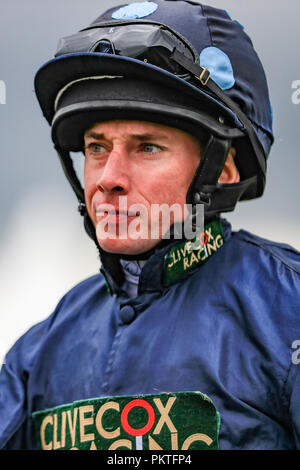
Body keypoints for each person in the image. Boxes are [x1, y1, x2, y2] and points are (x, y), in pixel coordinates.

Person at [0, 0, 299, 451]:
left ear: (224, 168)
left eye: (148, 148)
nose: (108, 179)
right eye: (97, 148)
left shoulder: (288, 312)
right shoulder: (36, 353)